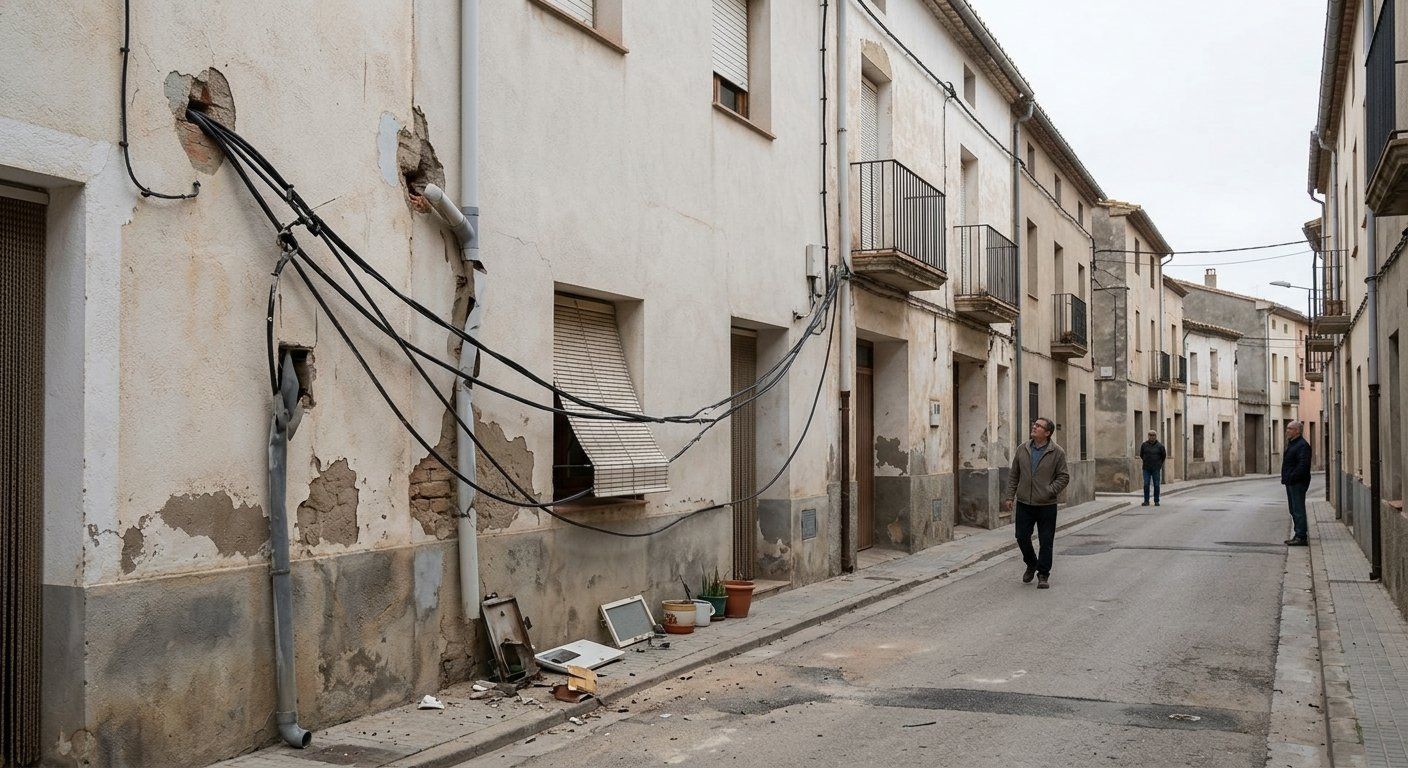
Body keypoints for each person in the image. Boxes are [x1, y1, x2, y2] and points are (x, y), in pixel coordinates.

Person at [1003, 417, 1071, 589]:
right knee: (1021, 537)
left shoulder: (1057, 452)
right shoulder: (1022, 449)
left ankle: (1043, 574)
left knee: (1046, 541)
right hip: (1025, 502)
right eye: (1035, 424)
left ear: (1047, 433)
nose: (1034, 427)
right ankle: (1032, 563)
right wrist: (1010, 496)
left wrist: (1049, 490)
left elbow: (1064, 477)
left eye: (1039, 426)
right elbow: (1014, 475)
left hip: (1046, 505)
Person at [1282, 420, 1312, 546]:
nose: (1287, 430)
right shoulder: (1293, 444)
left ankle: (1301, 536)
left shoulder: (1302, 445)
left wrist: (1293, 477)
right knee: (1293, 509)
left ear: (1297, 431)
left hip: (1297, 482)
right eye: (1287, 428)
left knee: (1298, 509)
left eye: (1290, 428)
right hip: (1291, 482)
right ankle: (1298, 534)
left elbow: (1303, 465)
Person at [1139, 431, 1167, 506]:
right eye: (1150, 435)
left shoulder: (1160, 446)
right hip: (1146, 468)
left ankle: (1156, 500)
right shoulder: (1144, 445)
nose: (1152, 437)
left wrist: (1159, 464)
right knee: (1146, 484)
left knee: (1156, 484)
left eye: (1153, 435)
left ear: (1156, 436)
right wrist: (1146, 460)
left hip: (1156, 468)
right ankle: (1146, 501)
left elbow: (1163, 456)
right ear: (1148, 436)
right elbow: (1141, 455)